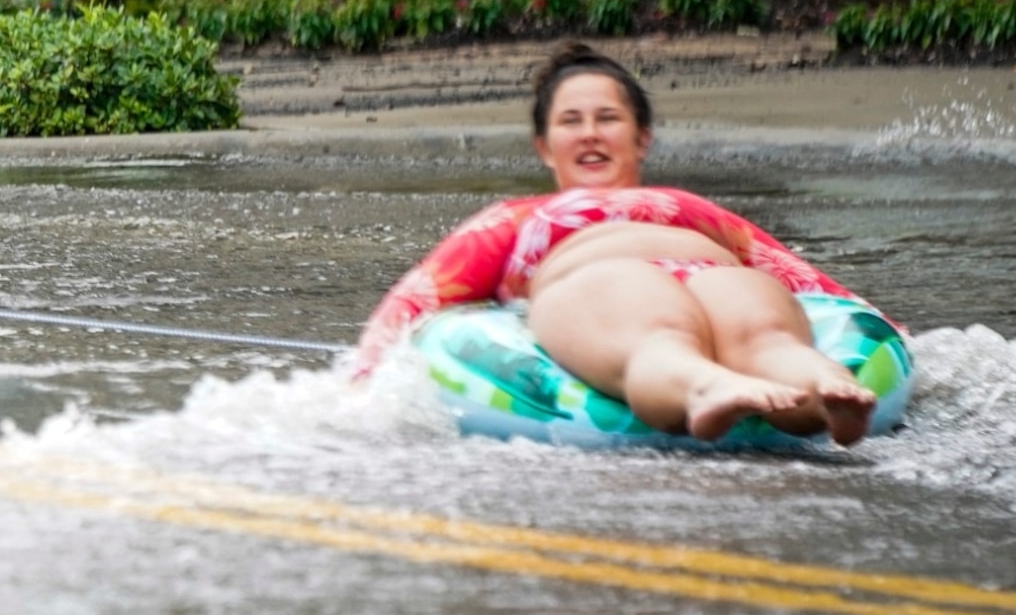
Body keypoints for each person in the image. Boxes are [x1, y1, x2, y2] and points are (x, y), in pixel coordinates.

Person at [350, 42, 882, 446]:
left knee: (759, 337)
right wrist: (364, 383)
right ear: (544, 146)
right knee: (700, 335)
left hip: (682, 278)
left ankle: (805, 388)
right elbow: (419, 300)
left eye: (608, 119)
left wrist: (888, 340)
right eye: (570, 122)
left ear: (641, 137)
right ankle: (763, 384)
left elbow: (802, 280)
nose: (590, 134)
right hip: (636, 281)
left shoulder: (688, 209)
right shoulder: (513, 220)